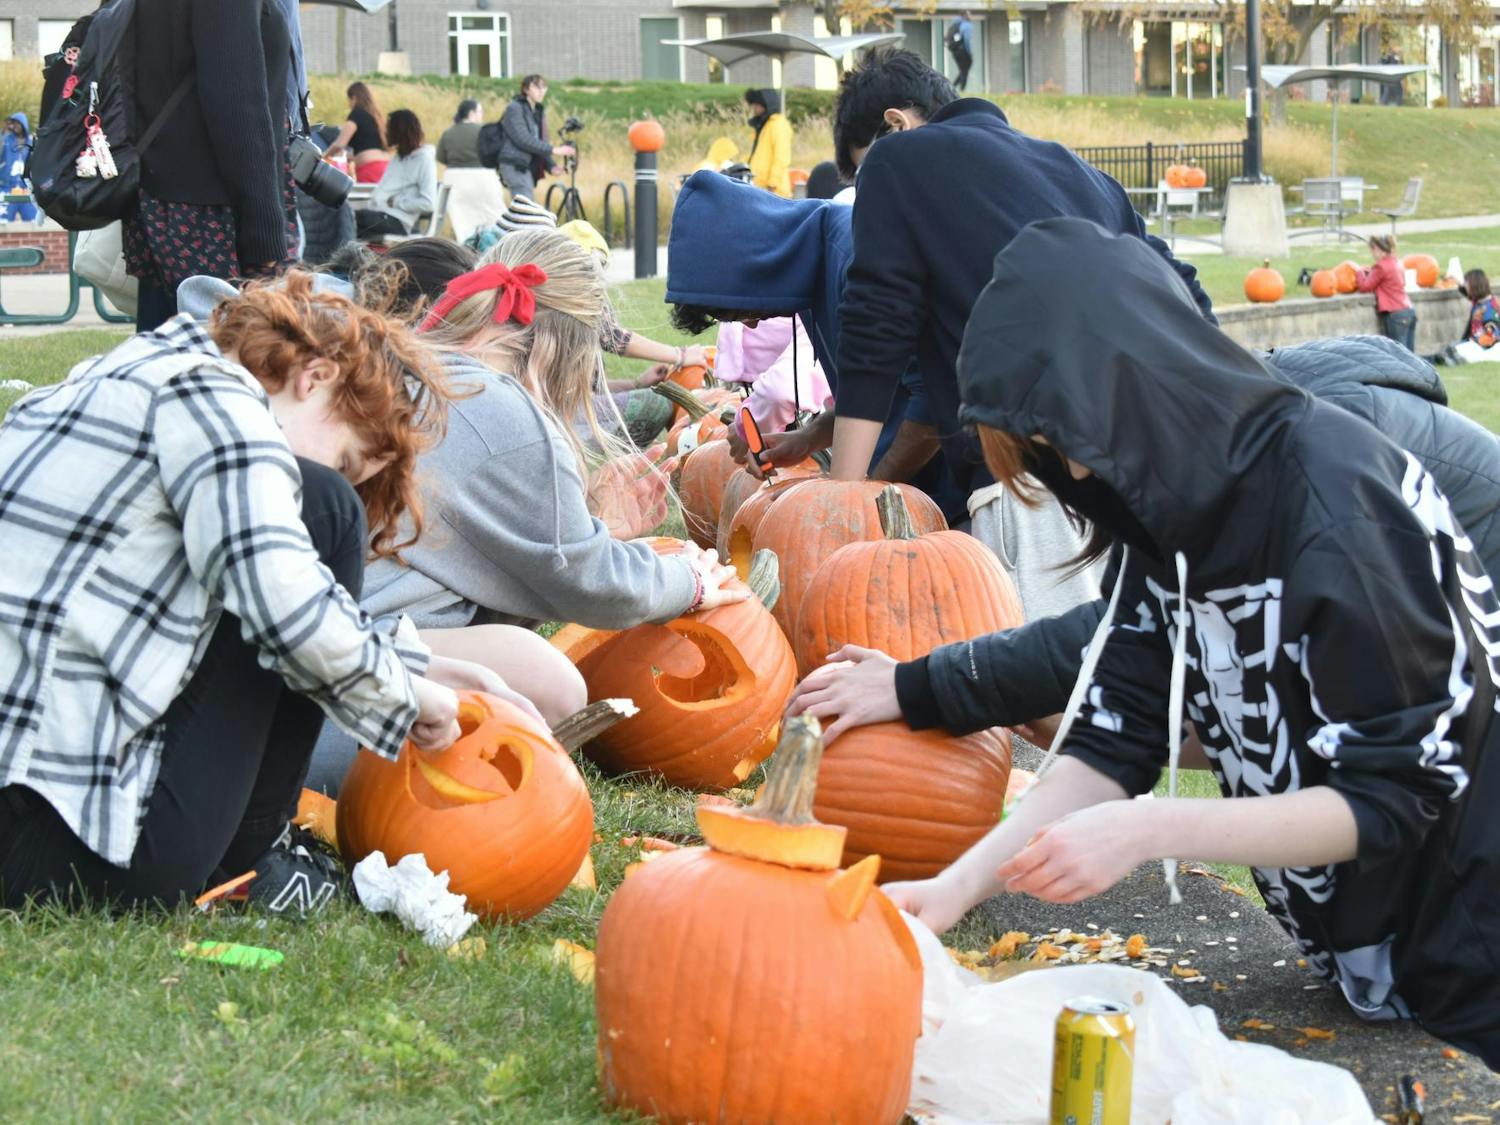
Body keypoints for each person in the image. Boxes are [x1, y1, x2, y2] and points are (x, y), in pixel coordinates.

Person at [876, 217, 1500, 1065]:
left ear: (1128, 392)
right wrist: (953, 888)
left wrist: (1149, 829)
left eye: (1061, 444)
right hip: (1371, 962)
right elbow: (1114, 734)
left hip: (1473, 950)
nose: (1074, 475)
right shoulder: (1166, 519)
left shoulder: (1335, 505)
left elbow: (1395, 792)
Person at [0, 274, 506, 914]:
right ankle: (258, 854)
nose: (336, 475)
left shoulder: (120, 375)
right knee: (324, 511)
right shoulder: (219, 402)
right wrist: (407, 696)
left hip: (25, 806)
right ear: (314, 377)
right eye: (347, 460)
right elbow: (280, 598)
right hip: (73, 845)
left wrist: (412, 662)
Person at [792, 330, 1500, 746]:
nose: (1068, 484)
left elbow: (1128, 638)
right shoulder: (1208, 433)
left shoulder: (1278, 464)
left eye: (1054, 460)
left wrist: (919, 684)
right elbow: (1154, 650)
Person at [305, 229, 746, 791]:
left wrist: (591, 526)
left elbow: (482, 565)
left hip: (300, 645)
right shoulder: (499, 407)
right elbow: (591, 582)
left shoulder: (418, 362)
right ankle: (392, 792)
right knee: (550, 685)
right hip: (333, 690)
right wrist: (687, 580)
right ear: (564, 351)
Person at [823, 48, 1215, 615]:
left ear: (896, 124)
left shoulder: (896, 159)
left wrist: (839, 503)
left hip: (1031, 482)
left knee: (1053, 667)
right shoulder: (1081, 173)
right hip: (1150, 468)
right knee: (1134, 660)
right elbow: (1185, 293)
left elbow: (874, 330)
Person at [127, 0, 296, 332]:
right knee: (225, 350)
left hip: (168, 199)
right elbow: (236, 102)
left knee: (167, 344)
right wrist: (264, 228)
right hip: (212, 215)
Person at [356, 109, 437, 239]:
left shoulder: (424, 160)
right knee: (346, 218)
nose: (385, 132)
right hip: (380, 214)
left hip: (399, 221)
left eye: (389, 128)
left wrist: (397, 202)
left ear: (400, 131)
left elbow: (428, 203)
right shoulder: (398, 158)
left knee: (351, 218)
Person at [495, 75, 575, 202]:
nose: (541, 91)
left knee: (526, 206)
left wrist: (550, 165)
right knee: (525, 207)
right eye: (536, 87)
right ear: (526, 89)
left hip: (525, 166)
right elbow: (523, 139)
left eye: (544, 87)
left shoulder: (537, 111)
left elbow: (540, 142)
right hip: (514, 164)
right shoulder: (514, 108)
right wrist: (554, 150)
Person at [438, 98, 504, 244]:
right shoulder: (483, 131)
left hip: (455, 181)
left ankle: (467, 249)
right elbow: (495, 156)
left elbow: (441, 157)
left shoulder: (448, 133)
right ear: (472, 113)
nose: (481, 115)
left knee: (463, 223)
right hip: (483, 179)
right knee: (492, 219)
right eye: (480, 112)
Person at [1357, 233, 1416, 352]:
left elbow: (1365, 286)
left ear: (1377, 249)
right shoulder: (1397, 262)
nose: (1372, 254)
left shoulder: (1380, 266)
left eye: (1372, 250)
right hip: (1408, 310)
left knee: (1397, 354)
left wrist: (1359, 272)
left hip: (1395, 314)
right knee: (1409, 355)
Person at [324, 81, 389, 184]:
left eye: (349, 100)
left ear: (353, 98)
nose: (349, 104)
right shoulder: (376, 117)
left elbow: (339, 144)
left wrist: (324, 157)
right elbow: (366, 146)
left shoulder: (356, 114)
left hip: (369, 169)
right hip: (385, 166)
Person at [1441, 269, 1500, 365]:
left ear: (1474, 285)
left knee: (1451, 351)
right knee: (1449, 350)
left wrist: (1472, 343)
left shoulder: (1490, 308)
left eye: (1466, 283)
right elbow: (1465, 291)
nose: (1465, 286)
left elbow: (1491, 338)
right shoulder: (1478, 301)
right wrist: (1456, 281)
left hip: (1481, 347)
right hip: (1472, 343)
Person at [744, 88, 793, 198]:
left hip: (775, 192)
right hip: (760, 188)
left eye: (757, 105)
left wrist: (772, 184)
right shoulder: (764, 125)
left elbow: (781, 158)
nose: (754, 108)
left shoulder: (779, 125)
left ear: (766, 105)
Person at [1, 113, 35, 223]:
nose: (14, 126)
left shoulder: (31, 141)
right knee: (3, 222)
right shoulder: (6, 140)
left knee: (33, 223)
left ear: (23, 124)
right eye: (13, 123)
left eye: (17, 123)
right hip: (7, 188)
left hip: (26, 189)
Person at [945, 10, 974, 92]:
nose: (970, 16)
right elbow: (966, 39)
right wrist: (969, 52)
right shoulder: (966, 25)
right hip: (963, 51)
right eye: (969, 15)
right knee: (964, 71)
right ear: (965, 15)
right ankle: (961, 90)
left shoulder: (954, 24)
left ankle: (952, 88)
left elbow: (946, 38)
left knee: (962, 71)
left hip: (955, 51)